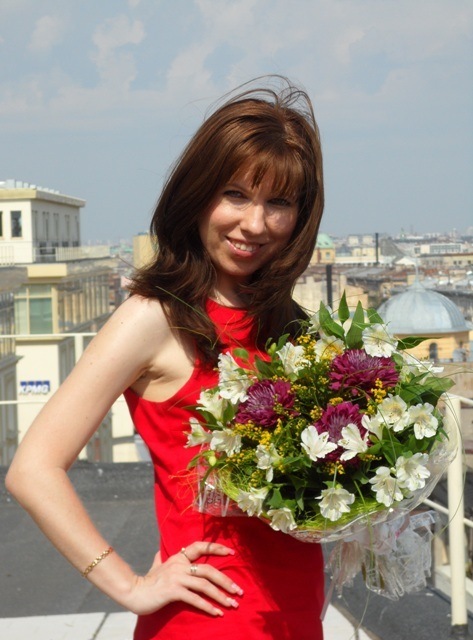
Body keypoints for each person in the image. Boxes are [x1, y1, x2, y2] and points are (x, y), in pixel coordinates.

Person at [6, 76, 326, 639]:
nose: (254, 224)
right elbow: (32, 470)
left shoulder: (290, 323)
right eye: (235, 194)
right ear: (196, 194)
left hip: (295, 612)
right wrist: (129, 586)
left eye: (278, 203)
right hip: (210, 622)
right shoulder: (153, 317)